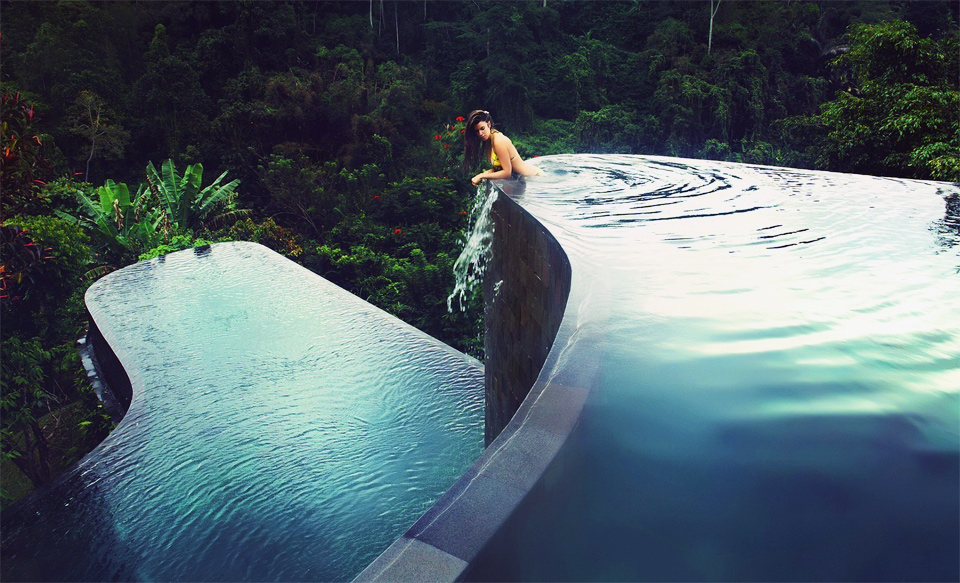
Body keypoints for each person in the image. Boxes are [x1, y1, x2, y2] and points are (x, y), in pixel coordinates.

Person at [462, 110, 541, 185]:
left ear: (489, 124)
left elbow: (507, 173)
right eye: (477, 131)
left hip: (534, 179)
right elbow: (500, 168)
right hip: (522, 180)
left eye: (482, 128)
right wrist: (485, 173)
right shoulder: (488, 141)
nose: (480, 133)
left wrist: (481, 176)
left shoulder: (498, 141)